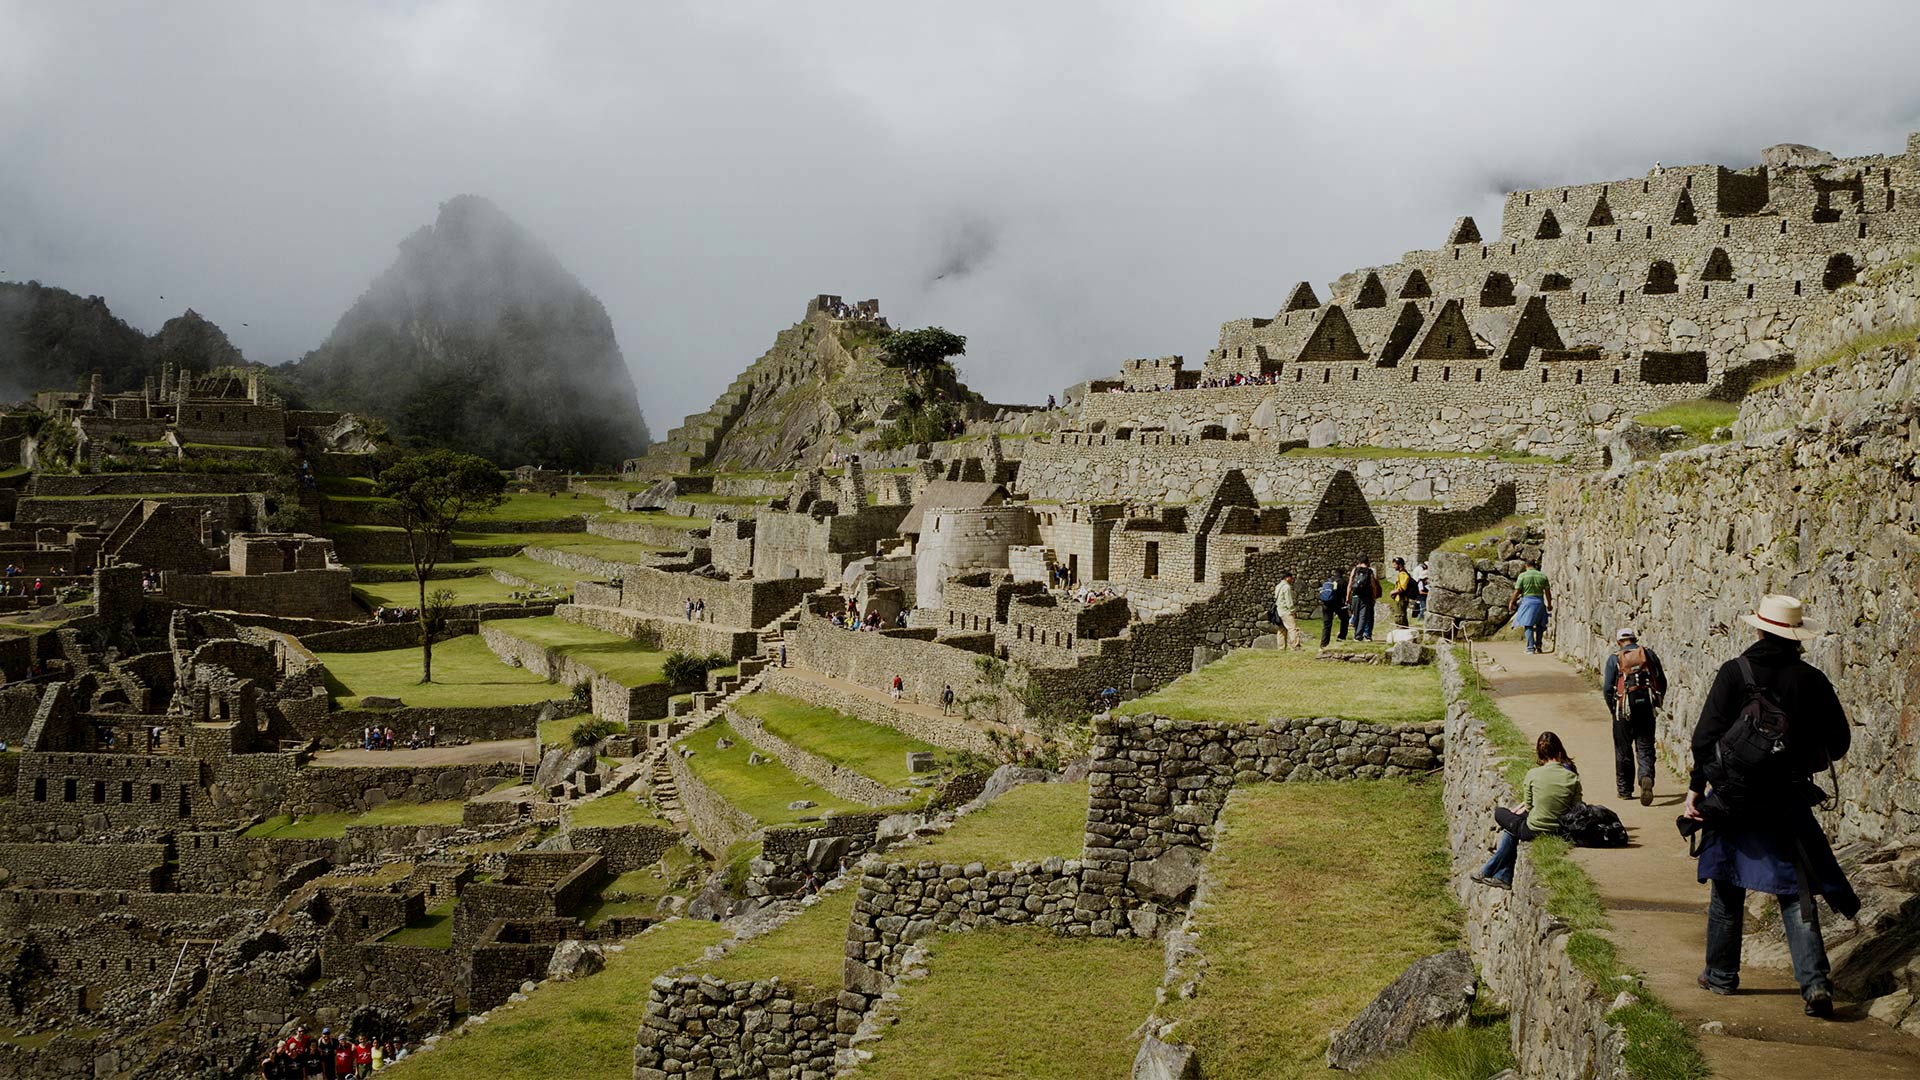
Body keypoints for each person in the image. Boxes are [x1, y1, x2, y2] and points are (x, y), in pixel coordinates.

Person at [1684, 593, 1856, 1017]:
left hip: (1732, 798)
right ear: (1796, 635)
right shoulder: (1812, 680)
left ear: (1759, 629)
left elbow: (1704, 740)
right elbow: (1838, 744)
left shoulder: (1734, 673)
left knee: (1727, 887)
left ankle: (1721, 976)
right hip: (1787, 799)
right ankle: (1815, 985)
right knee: (1796, 892)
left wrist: (1696, 790)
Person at [1472, 731, 1582, 889]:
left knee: (1503, 816)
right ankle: (1503, 876)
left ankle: (1488, 870)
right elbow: (1577, 808)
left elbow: (1530, 807)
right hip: (1562, 829)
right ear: (1559, 752)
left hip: (1534, 828)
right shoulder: (1572, 777)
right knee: (1513, 828)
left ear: (1539, 754)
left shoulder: (1533, 774)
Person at [1602, 628, 1667, 804]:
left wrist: (1613, 708)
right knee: (1645, 746)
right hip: (1646, 707)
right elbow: (1661, 680)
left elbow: (1608, 688)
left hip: (1623, 708)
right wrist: (1656, 701)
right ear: (1634, 639)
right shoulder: (1648, 654)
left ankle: (1624, 790)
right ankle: (1646, 776)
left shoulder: (1614, 659)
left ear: (1618, 642)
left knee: (1623, 749)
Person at [1509, 560, 1552, 653]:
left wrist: (1512, 602)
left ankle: (1530, 648)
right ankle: (1539, 645)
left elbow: (1517, 591)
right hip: (1540, 602)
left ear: (1526, 566)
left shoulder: (1523, 576)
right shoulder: (1542, 576)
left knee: (1528, 625)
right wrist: (1549, 604)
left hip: (1527, 602)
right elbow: (1548, 592)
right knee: (1540, 625)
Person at [1347, 558, 1378, 642]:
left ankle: (1356, 634)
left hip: (1355, 596)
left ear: (1359, 561)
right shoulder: (1369, 571)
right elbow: (1373, 586)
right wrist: (1374, 597)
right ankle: (1358, 635)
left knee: (1356, 615)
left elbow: (1350, 584)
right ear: (1367, 562)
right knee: (1363, 616)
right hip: (1366, 597)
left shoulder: (1355, 570)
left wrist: (1348, 597)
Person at [1271, 570, 1303, 650]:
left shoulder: (1278, 586)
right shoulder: (1286, 587)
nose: (1292, 580)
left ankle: (1281, 647)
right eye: (1291, 578)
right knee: (1292, 628)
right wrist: (1293, 611)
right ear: (1287, 578)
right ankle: (1295, 646)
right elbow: (1289, 601)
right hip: (1286, 611)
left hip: (1279, 611)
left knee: (1282, 630)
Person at [1318, 569, 1349, 647]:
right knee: (1345, 619)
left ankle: (1324, 643)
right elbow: (1345, 594)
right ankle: (1341, 637)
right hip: (1337, 604)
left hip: (1326, 604)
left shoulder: (1329, 581)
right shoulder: (1342, 582)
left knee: (1327, 624)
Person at [1389, 557, 1416, 629]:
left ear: (1400, 565)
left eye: (1395, 565)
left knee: (1400, 616)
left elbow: (1402, 588)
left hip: (1402, 599)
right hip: (1399, 598)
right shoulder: (1401, 574)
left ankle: (1403, 630)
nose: (1393, 566)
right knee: (1400, 615)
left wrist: (1392, 592)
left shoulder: (1403, 574)